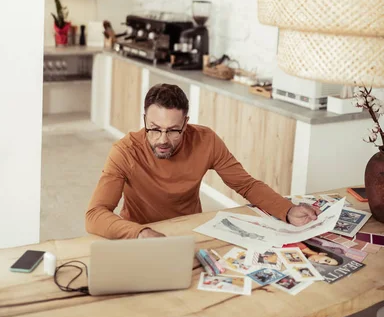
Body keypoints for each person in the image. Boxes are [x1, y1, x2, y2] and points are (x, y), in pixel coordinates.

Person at [86, 83, 319, 239]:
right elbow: (95, 214)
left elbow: (245, 185)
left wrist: (287, 210)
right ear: (144, 119)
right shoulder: (125, 151)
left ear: (186, 123)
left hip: (190, 229)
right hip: (139, 234)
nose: (162, 140)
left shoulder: (206, 140)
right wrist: (140, 233)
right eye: (154, 129)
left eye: (174, 130)